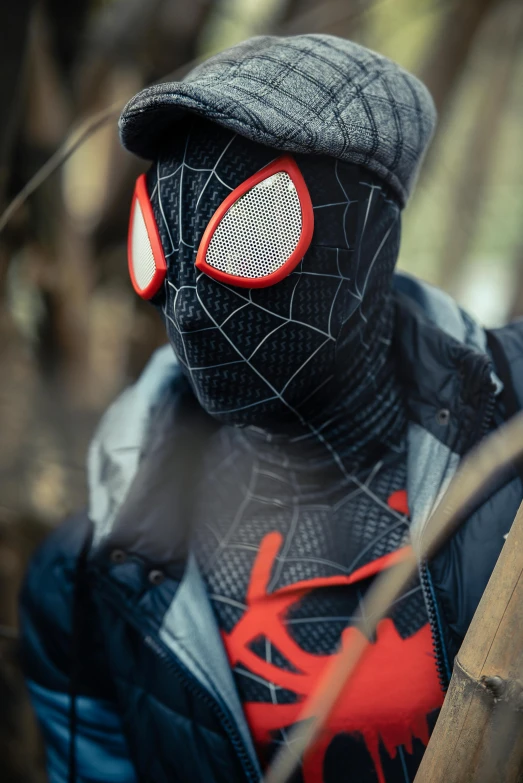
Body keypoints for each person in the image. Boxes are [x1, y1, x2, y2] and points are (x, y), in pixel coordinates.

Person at [19, 34, 523, 783]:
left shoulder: (506, 435)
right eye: (163, 244)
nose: (188, 307)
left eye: (253, 234)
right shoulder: (94, 577)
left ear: (372, 241)